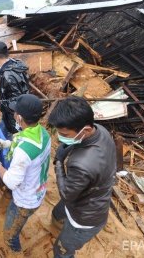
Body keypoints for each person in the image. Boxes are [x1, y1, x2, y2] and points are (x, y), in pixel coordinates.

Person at [48, 96, 117, 258]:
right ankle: (57, 226)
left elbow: (66, 194)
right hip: (92, 192)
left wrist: (58, 162)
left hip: (84, 218)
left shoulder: (82, 164)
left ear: (85, 130)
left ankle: (63, 238)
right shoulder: (101, 131)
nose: (59, 137)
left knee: (62, 250)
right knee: (58, 213)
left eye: (64, 134)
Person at [0, 94, 51, 253]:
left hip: (25, 201)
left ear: (19, 117)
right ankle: (2, 211)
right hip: (37, 188)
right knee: (9, 197)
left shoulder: (22, 152)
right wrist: (8, 143)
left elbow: (12, 182)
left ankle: (15, 251)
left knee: (9, 235)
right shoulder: (42, 133)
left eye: (15, 112)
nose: (13, 114)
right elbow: (26, 143)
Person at [0, 41, 29, 140]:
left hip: (14, 118)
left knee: (9, 142)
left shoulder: (8, 75)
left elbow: (17, 100)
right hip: (10, 115)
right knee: (1, 135)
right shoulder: (16, 65)